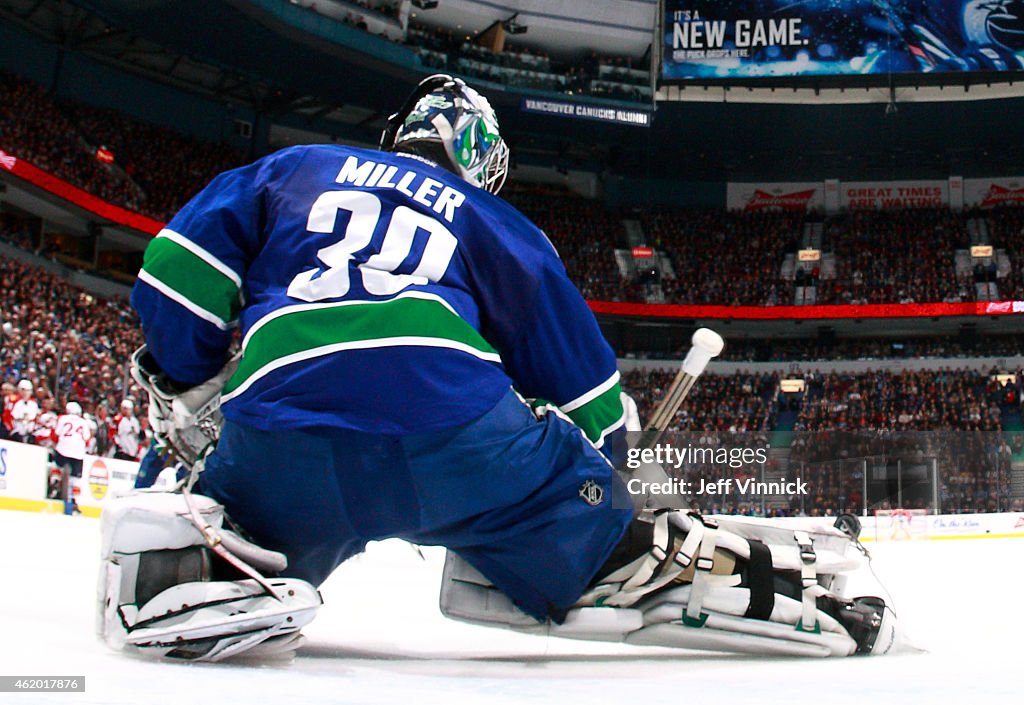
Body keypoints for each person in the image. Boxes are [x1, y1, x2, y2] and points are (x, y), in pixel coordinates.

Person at [99, 75, 898, 662]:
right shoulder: (495, 219)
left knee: (239, 520)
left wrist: (189, 376)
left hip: (281, 434)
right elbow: (584, 388)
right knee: (598, 529)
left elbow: (176, 273)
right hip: (457, 438)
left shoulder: (295, 167)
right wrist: (617, 486)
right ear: (481, 160)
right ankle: (685, 568)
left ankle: (217, 558)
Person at [10, 379, 39, 444]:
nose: (25, 392)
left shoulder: (33, 404)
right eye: (23, 390)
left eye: (28, 390)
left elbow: (34, 418)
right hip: (16, 430)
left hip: (29, 431)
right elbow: (11, 416)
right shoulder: (14, 401)